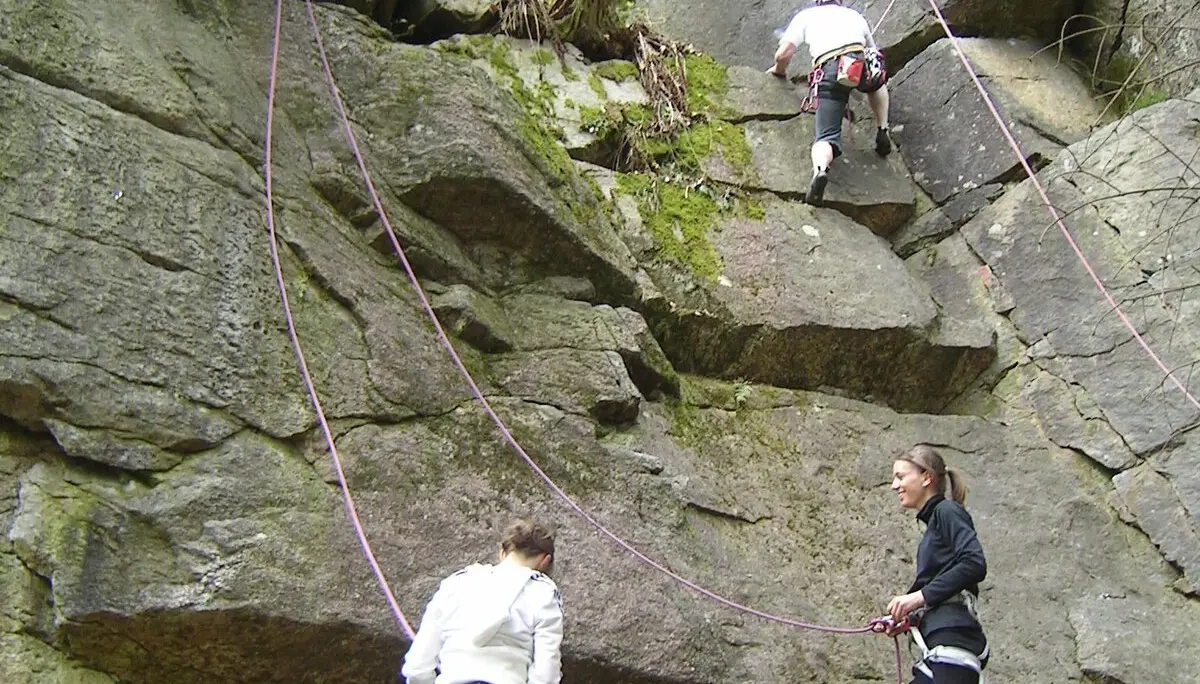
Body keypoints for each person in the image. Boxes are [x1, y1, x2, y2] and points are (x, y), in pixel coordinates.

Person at [401, 519, 563, 684]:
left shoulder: (456, 584)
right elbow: (546, 673)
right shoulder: (544, 593)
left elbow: (417, 667)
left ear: (502, 553)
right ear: (545, 561)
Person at [767, 0, 892, 207]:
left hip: (831, 69)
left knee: (826, 135)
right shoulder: (855, 16)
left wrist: (778, 70)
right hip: (859, 65)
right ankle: (883, 129)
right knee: (877, 83)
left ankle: (821, 171)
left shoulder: (806, 16)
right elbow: (873, 54)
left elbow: (783, 54)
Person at [886, 445, 989, 684]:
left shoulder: (947, 511)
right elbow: (943, 586)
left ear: (926, 477)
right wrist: (908, 619)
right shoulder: (934, 523)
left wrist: (916, 598)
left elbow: (974, 562)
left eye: (900, 476)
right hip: (942, 645)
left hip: (952, 644)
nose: (894, 485)